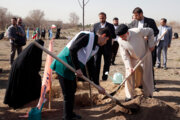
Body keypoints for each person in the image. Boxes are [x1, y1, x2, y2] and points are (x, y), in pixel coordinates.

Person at [50, 28, 110, 120]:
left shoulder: (95, 46)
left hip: (72, 68)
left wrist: (97, 85)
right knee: (67, 93)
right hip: (64, 64)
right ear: (103, 36)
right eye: (106, 40)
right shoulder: (87, 36)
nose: (106, 43)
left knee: (73, 89)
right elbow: (73, 49)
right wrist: (77, 68)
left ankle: (70, 114)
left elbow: (91, 67)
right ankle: (67, 117)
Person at [116, 24, 154, 101]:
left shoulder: (137, 31)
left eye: (123, 36)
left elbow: (150, 31)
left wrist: (151, 44)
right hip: (132, 57)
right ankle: (129, 95)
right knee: (129, 74)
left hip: (145, 55)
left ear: (127, 33)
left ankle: (148, 94)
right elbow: (125, 56)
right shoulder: (120, 40)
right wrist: (129, 67)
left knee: (147, 75)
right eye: (120, 37)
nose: (122, 38)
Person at [4, 39, 44, 109]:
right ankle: (23, 99)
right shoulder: (32, 52)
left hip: (20, 69)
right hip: (21, 70)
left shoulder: (28, 51)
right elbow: (36, 66)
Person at [128, 7, 159, 88]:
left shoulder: (150, 21)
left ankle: (152, 85)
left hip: (149, 47)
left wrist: (148, 37)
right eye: (134, 15)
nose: (135, 17)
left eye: (137, 15)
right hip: (137, 48)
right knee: (138, 66)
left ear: (141, 14)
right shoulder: (133, 23)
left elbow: (156, 31)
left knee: (149, 66)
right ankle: (140, 83)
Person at [93, 12, 116, 81]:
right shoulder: (95, 26)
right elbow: (93, 35)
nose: (101, 19)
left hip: (107, 48)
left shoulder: (110, 26)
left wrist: (107, 37)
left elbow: (114, 36)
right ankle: (96, 78)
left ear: (105, 17)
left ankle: (105, 78)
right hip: (98, 48)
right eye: (100, 18)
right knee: (97, 63)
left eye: (103, 18)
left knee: (107, 64)